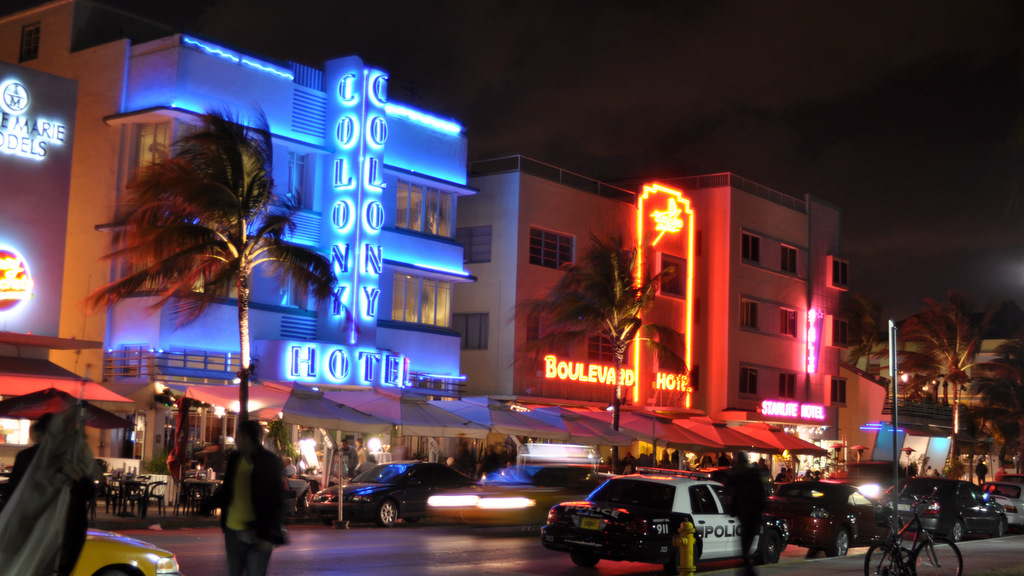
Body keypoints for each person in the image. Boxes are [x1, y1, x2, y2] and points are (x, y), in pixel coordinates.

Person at [205, 421, 287, 576]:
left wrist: (269, 535)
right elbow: (228, 489)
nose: (236, 440)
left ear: (248, 438)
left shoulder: (268, 462)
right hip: (232, 531)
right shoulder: (235, 459)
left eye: (239, 436)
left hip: (257, 532)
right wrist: (209, 504)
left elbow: (276, 500)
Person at [724, 451, 767, 576]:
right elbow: (762, 494)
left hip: (745, 513)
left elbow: (727, 488)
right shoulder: (754, 473)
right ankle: (747, 569)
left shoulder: (738, 472)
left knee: (745, 546)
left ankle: (748, 569)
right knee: (746, 545)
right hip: (752, 514)